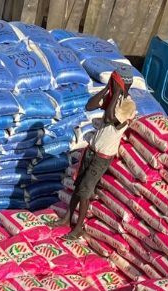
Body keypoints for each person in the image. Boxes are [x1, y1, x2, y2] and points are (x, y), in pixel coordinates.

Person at [55, 66, 137, 240]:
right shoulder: (112, 98)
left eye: (115, 82)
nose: (113, 86)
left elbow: (109, 118)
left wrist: (117, 93)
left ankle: (78, 228)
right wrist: (107, 89)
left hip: (102, 157)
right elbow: (90, 105)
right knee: (78, 186)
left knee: (85, 191)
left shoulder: (128, 105)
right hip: (92, 150)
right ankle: (67, 218)